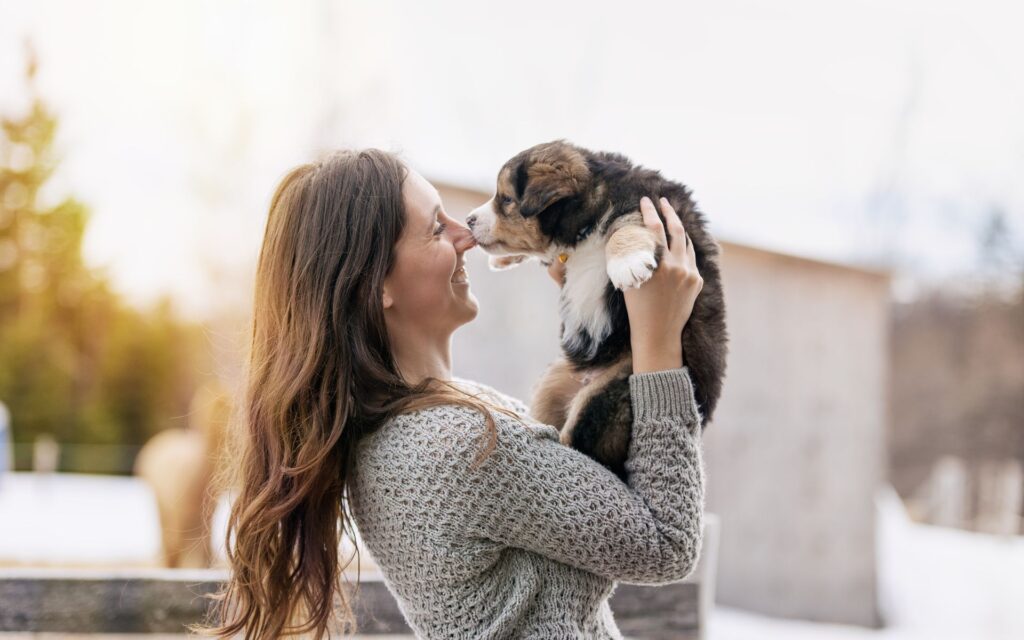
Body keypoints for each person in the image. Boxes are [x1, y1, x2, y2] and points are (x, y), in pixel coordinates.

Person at [192, 149, 705, 639]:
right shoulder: (461, 445)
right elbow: (667, 542)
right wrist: (658, 346)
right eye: (437, 227)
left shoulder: (428, 425)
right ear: (376, 287)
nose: (466, 234)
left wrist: (598, 303)